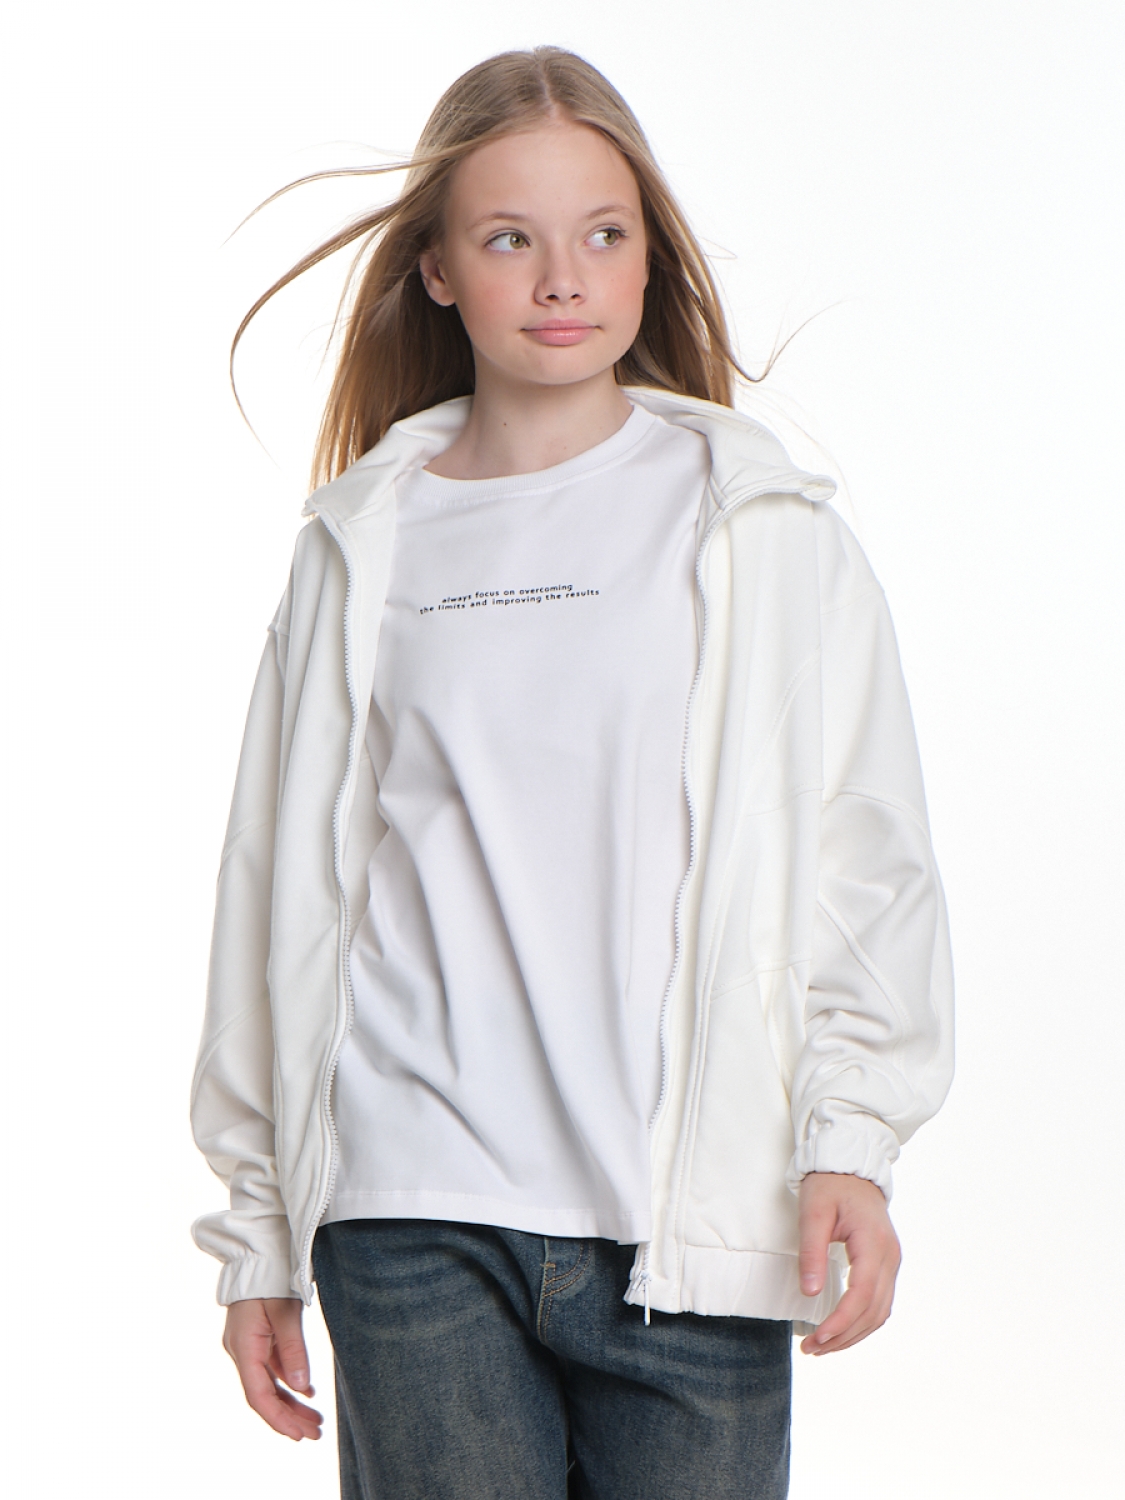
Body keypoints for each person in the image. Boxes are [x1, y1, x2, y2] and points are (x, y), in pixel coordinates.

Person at [191, 45, 954, 1500]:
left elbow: (867, 856)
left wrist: (850, 1140)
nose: (561, 280)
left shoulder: (764, 530)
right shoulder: (358, 546)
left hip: (694, 1224)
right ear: (435, 270)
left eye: (603, 234)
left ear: (649, 257)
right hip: (411, 1203)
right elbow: (269, 889)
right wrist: (257, 1233)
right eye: (508, 239)